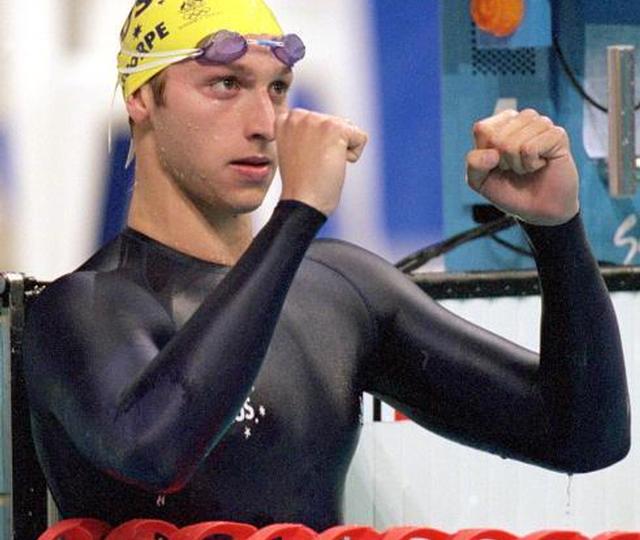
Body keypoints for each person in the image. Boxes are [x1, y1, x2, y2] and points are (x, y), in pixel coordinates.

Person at [23, 0, 630, 531]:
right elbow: (155, 451)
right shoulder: (85, 309)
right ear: (141, 98)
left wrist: (557, 231)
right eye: (225, 84)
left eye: (278, 89)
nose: (265, 124)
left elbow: (583, 436)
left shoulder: (340, 291)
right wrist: (298, 213)